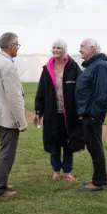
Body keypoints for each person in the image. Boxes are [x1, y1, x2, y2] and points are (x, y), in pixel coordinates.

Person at [0, 32, 28, 198]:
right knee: (7, 153)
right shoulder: (7, 65)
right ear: (11, 46)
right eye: (17, 44)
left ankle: (2, 182)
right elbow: (14, 96)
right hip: (7, 116)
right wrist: (21, 122)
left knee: (4, 150)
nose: (18, 47)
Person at [34, 39, 84, 181]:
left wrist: (81, 110)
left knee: (68, 142)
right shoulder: (47, 69)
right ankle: (56, 170)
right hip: (52, 113)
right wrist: (39, 111)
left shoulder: (73, 67)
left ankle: (67, 171)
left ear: (64, 50)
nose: (56, 50)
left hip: (70, 113)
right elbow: (41, 91)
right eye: (54, 48)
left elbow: (81, 90)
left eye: (59, 48)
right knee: (54, 141)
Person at [75, 38, 107, 192]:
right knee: (93, 146)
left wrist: (93, 115)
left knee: (94, 147)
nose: (79, 50)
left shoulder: (100, 66)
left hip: (92, 115)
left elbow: (101, 94)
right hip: (87, 113)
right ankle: (101, 178)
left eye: (82, 47)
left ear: (91, 48)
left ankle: (97, 183)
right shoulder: (92, 66)